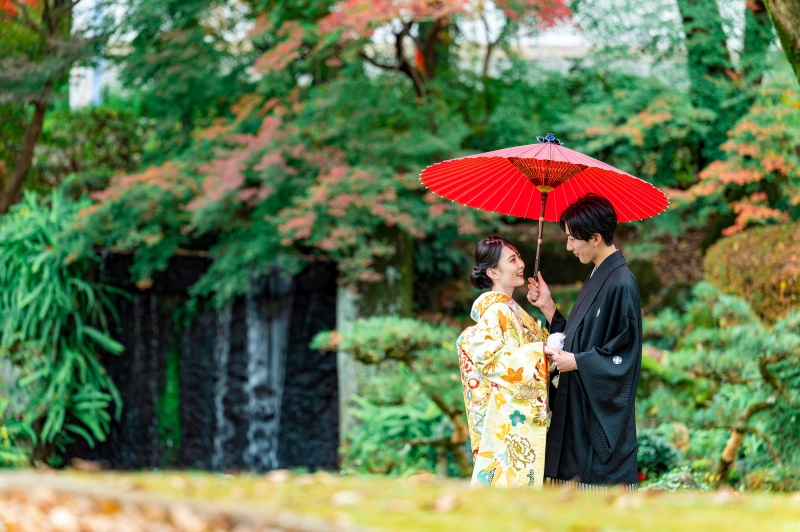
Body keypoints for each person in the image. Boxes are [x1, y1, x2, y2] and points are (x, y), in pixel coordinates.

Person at [527, 194, 643, 490]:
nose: (568, 247)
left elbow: (625, 355)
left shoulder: (621, 282)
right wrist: (548, 306)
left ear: (594, 238)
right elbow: (580, 336)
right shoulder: (598, 276)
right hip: (577, 409)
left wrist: (578, 361)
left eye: (572, 239)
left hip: (594, 421)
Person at [456, 236, 550, 488]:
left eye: (519, 256)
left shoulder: (511, 310)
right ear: (493, 272)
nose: (521, 263)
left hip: (517, 410)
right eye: (512, 259)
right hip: (508, 414)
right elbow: (489, 359)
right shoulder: (496, 311)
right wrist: (541, 350)